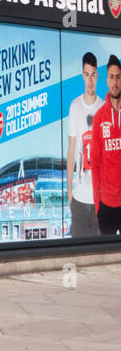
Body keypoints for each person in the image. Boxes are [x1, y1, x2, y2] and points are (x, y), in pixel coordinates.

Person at [67, 52, 103, 239]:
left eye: (93, 74)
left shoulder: (104, 108)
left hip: (100, 198)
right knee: (77, 252)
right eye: (86, 74)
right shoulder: (75, 106)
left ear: (97, 75)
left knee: (101, 254)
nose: (90, 80)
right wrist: (70, 191)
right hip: (80, 198)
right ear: (82, 74)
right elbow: (72, 150)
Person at [91, 55, 121, 238]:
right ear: (106, 80)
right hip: (106, 206)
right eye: (112, 77)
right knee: (106, 262)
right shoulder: (99, 117)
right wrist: (97, 204)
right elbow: (95, 163)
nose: (115, 82)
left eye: (118, 77)